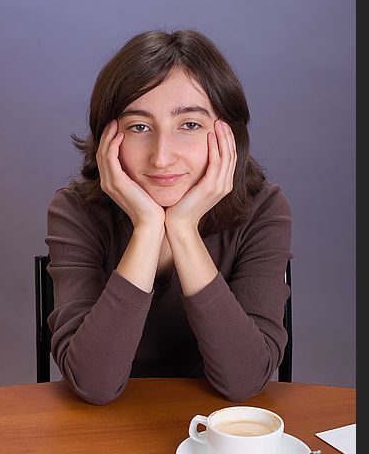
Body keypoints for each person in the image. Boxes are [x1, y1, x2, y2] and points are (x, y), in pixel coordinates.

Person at [45, 29, 292, 405]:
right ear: (108, 138)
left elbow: (244, 381)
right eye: (139, 126)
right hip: (100, 430)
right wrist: (147, 228)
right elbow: (92, 383)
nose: (162, 157)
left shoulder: (264, 209)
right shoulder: (75, 210)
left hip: (214, 425)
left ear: (228, 135)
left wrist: (182, 229)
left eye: (189, 125)